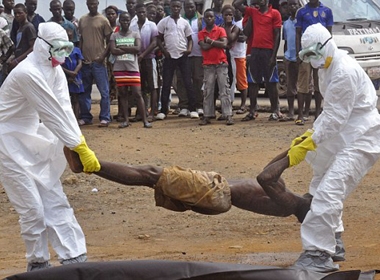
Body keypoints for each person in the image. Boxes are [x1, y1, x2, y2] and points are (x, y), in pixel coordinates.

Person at [0, 22, 100, 272]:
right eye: (59, 48)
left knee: (54, 197)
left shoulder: (54, 71)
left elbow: (65, 108)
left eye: (67, 47)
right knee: (31, 207)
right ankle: (38, 263)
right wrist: (78, 145)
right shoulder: (27, 73)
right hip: (6, 140)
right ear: (42, 45)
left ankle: (75, 259)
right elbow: (51, 111)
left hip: (32, 136)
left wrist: (80, 144)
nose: (64, 53)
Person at [286, 23, 380, 272]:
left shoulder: (343, 71)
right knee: (320, 179)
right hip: (345, 129)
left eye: (314, 55)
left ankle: (318, 253)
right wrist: (311, 135)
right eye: (308, 57)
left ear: (328, 45)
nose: (313, 61)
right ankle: (334, 239)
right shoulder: (325, 66)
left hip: (362, 136)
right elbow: (331, 112)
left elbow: (336, 116)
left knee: (330, 190)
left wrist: (310, 140)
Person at [64, 146, 311, 222]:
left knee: (151, 174)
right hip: (217, 192)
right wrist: (295, 146)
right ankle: (90, 166)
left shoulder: (289, 205)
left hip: (217, 192)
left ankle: (90, 165)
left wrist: (292, 157)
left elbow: (265, 177)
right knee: (151, 179)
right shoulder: (287, 196)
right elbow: (268, 171)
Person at [233, 0, 282, 121]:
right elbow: (237, 5)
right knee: (253, 82)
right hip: (255, 50)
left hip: (268, 51)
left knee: (271, 82)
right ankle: (252, 110)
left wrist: (274, 55)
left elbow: (277, 35)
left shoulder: (275, 13)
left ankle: (275, 110)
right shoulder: (254, 12)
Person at [156, 0, 198, 120]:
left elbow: (190, 38)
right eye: (173, 6)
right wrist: (164, 51)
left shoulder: (184, 23)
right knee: (166, 83)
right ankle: (163, 111)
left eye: (178, 7)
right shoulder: (164, 22)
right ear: (170, 7)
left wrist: (189, 49)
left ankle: (193, 109)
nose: (175, 8)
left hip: (182, 56)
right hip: (169, 57)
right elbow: (158, 39)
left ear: (181, 8)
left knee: (188, 83)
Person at [109, 12, 152, 129]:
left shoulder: (135, 34)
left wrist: (121, 48)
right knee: (123, 94)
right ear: (120, 21)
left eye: (127, 20)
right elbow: (113, 51)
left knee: (138, 94)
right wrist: (129, 49)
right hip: (119, 69)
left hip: (133, 68)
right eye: (123, 20)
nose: (125, 22)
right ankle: (126, 120)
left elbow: (137, 49)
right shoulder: (114, 35)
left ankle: (145, 120)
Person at [295, 0, 333, 124]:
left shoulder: (327, 11)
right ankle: (300, 115)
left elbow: (329, 34)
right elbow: (298, 33)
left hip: (321, 53)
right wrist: (298, 53)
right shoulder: (301, 12)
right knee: (303, 83)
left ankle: (317, 114)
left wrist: (328, 52)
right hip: (306, 52)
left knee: (319, 83)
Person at [78, 0, 113, 127]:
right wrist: (80, 56)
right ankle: (86, 117)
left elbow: (110, 41)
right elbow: (81, 39)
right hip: (85, 62)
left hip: (99, 62)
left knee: (104, 92)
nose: (92, 6)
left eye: (94, 4)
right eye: (89, 4)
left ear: (98, 3)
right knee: (84, 92)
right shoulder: (82, 20)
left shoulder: (103, 20)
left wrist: (103, 56)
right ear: (87, 4)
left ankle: (105, 117)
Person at [198, 9, 234, 126]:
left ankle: (228, 115)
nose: (209, 19)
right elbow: (204, 46)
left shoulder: (220, 29)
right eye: (207, 17)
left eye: (211, 17)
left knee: (224, 90)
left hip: (221, 63)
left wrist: (210, 41)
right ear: (204, 19)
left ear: (214, 18)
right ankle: (207, 115)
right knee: (208, 91)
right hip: (208, 65)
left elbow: (224, 44)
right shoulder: (201, 33)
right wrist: (216, 42)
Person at [130, 3, 159, 122]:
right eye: (139, 12)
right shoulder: (132, 26)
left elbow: (154, 43)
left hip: (149, 59)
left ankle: (152, 112)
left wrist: (143, 54)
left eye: (143, 12)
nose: (141, 14)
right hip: (136, 60)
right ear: (136, 13)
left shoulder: (152, 25)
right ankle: (140, 113)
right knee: (139, 87)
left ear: (146, 13)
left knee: (153, 87)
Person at [175, 0, 204, 118]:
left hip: (198, 55)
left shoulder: (201, 20)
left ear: (195, 7)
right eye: (187, 7)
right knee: (181, 80)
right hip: (182, 55)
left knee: (198, 80)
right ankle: (184, 106)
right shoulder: (180, 20)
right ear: (184, 8)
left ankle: (199, 105)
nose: (189, 9)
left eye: (192, 7)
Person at [279, 0, 298, 122]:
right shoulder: (286, 24)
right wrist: (286, 56)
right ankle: (291, 112)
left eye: (295, 4)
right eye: (290, 5)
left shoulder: (301, 22)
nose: (292, 7)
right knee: (290, 86)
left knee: (303, 86)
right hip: (289, 58)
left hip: (301, 58)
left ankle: (303, 112)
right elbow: (286, 41)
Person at [62, 28, 84, 120]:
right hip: (65, 76)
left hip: (76, 75)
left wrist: (74, 72)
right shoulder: (61, 50)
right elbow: (58, 65)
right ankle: (67, 119)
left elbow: (80, 62)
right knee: (66, 98)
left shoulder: (76, 49)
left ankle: (76, 118)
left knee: (76, 98)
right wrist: (69, 73)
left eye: (70, 37)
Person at [8, 3, 36, 72]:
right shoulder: (19, 29)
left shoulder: (29, 27)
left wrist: (17, 60)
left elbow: (33, 47)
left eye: (20, 13)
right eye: (15, 13)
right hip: (19, 62)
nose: (17, 15)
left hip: (26, 63)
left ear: (26, 13)